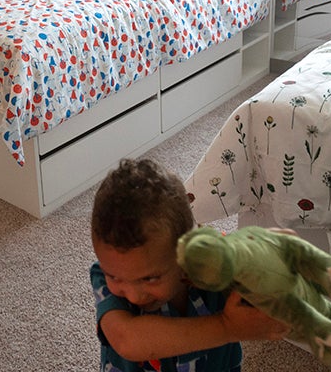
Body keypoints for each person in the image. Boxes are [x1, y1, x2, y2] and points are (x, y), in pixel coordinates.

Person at [90, 159, 290, 371]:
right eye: (115, 277)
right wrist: (227, 327)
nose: (133, 296)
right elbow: (127, 341)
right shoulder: (101, 275)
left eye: (149, 278)